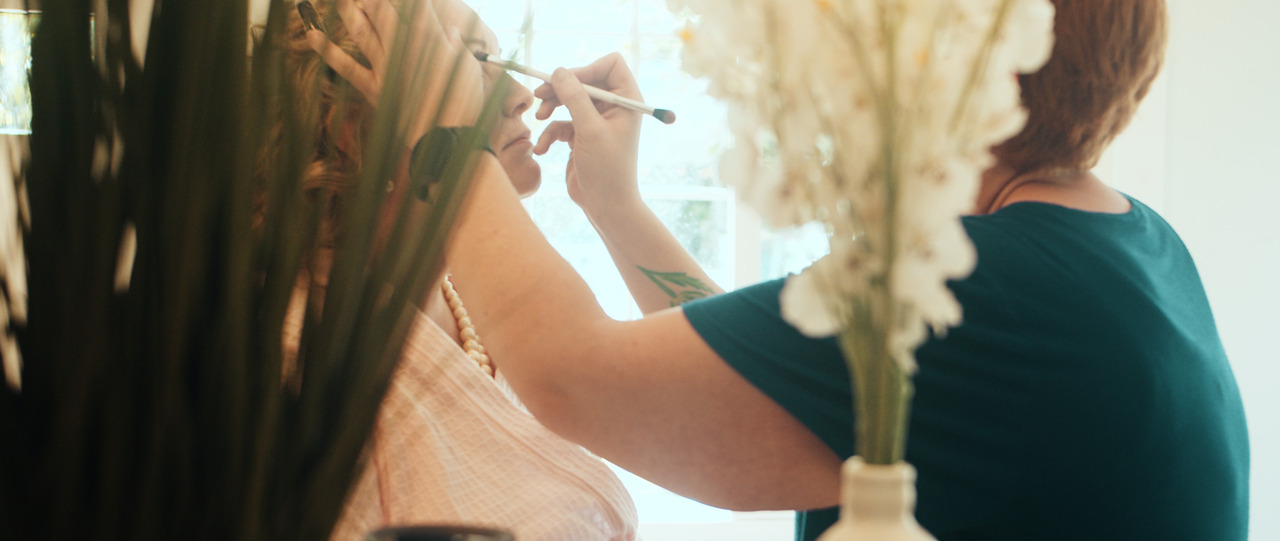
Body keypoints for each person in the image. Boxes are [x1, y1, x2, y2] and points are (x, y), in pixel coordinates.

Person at [315, 0, 1250, 539]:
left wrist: (440, 132)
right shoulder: (1121, 244)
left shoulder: (994, 292)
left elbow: (571, 375)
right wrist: (616, 204)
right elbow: (790, 385)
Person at [270, 1, 639, 540]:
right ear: (353, 131)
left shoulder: (492, 307)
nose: (520, 96)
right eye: (469, 65)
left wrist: (619, 207)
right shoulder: (293, 355)